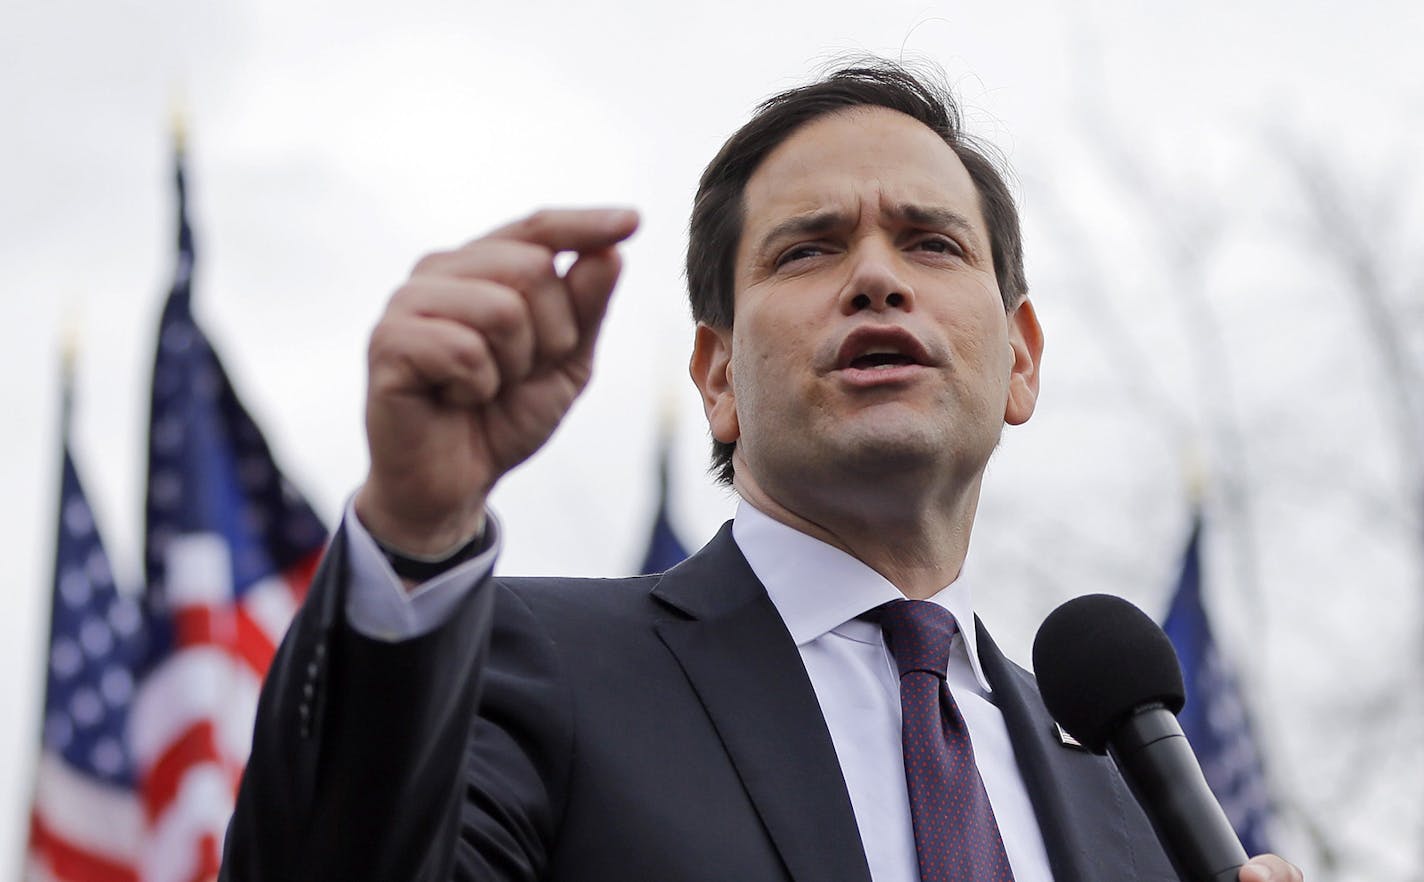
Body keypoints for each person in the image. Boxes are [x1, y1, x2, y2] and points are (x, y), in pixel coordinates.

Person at [220, 60, 1302, 881]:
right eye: (808, 249)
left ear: (1018, 359)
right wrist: (417, 525)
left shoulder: (1131, 819)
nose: (877, 276)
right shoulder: (529, 670)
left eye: (930, 244)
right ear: (717, 377)